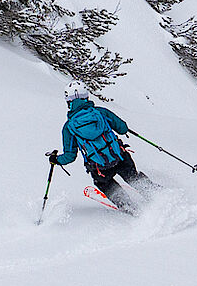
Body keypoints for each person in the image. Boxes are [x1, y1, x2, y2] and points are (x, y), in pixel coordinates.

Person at [49, 82, 153, 212]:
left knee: (105, 184)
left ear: (68, 102)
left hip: (99, 167)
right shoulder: (101, 112)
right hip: (119, 156)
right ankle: (156, 195)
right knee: (133, 177)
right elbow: (122, 128)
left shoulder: (69, 127)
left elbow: (70, 156)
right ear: (86, 97)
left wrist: (56, 160)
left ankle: (129, 207)